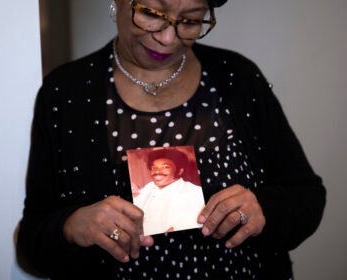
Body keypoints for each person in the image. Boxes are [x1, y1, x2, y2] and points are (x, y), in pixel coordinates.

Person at [17, 0, 326, 279]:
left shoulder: (237, 78)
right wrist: (70, 227)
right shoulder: (65, 92)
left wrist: (264, 209)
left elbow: (307, 196)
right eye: (152, 14)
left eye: (190, 21)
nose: (168, 39)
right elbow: (32, 240)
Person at [132, 147, 205, 235]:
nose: (157, 171)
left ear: (180, 171)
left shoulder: (195, 193)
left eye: (165, 167)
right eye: (153, 168)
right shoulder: (149, 187)